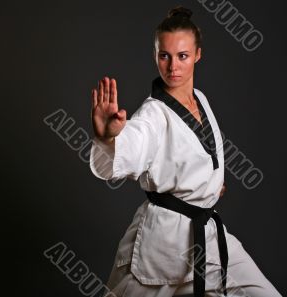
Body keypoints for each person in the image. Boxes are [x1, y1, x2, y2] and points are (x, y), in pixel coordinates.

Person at [89, 5, 282, 297]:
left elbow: (199, 157)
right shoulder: (152, 115)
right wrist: (108, 139)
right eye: (164, 56)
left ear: (198, 55)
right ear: (155, 56)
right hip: (163, 242)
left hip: (207, 235)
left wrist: (210, 183)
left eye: (182, 56)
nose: (173, 67)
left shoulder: (201, 99)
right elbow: (133, 146)